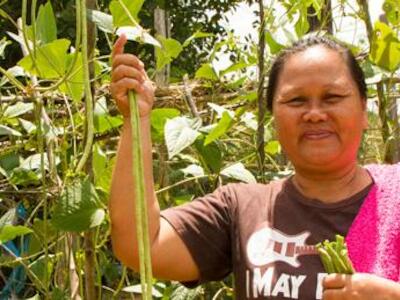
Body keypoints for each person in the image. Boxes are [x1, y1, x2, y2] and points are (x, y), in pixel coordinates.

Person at [109, 34, 400, 299]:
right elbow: (141, 244)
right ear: (273, 117)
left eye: (332, 97)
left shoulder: (395, 199)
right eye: (296, 100)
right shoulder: (242, 208)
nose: (314, 114)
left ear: (364, 109)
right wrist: (138, 118)